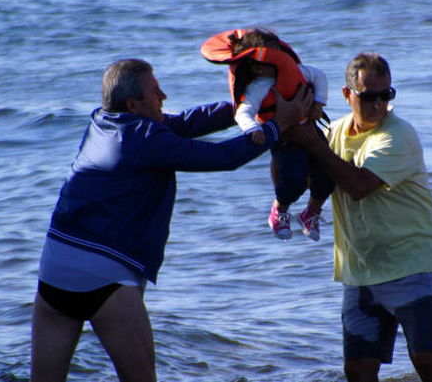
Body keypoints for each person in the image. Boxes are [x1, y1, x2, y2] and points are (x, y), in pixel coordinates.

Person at [31, 58, 311, 381]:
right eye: (155, 91)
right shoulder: (147, 138)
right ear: (133, 103)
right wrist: (279, 126)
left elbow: (186, 123)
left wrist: (247, 104)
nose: (163, 95)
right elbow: (226, 157)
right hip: (105, 279)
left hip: (54, 272)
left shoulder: (101, 122)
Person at [285, 52, 432, 381]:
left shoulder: (398, 135)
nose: (378, 104)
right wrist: (286, 131)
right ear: (348, 95)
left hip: (414, 263)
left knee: (427, 360)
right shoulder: (332, 133)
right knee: (358, 370)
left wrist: (312, 144)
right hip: (361, 272)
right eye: (368, 96)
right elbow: (299, 173)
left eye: (385, 95)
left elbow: (359, 185)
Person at [201, 28, 335, 241]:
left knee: (329, 172)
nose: (281, 63)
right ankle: (279, 210)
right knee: (294, 181)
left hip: (309, 128)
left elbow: (319, 76)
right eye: (274, 59)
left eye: (280, 57)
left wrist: (319, 103)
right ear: (256, 67)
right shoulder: (259, 88)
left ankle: (311, 212)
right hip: (285, 139)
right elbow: (243, 112)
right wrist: (253, 129)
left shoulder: (299, 71)